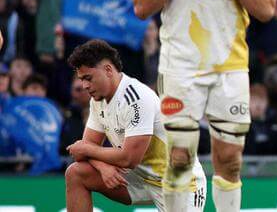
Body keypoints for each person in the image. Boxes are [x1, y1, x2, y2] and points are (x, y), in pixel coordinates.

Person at [132, 0, 276, 212]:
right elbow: (140, 6)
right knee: (180, 158)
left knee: (230, 161)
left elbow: (267, 9)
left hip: (230, 69)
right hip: (181, 68)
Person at [63, 39, 206, 212]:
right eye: (81, 79)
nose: (84, 85)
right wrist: (103, 167)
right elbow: (86, 150)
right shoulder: (97, 100)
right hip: (138, 179)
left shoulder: (137, 98)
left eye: (88, 78)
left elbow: (129, 158)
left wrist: (86, 149)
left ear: (108, 70)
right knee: (76, 173)